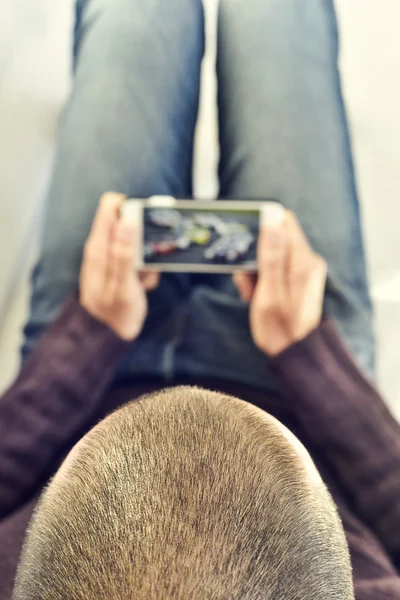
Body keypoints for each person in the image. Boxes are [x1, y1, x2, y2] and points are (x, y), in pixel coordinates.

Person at [0, 0, 399, 597]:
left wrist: (87, 335)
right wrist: (311, 355)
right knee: (280, 15)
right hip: (298, 375)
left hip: (88, 367)